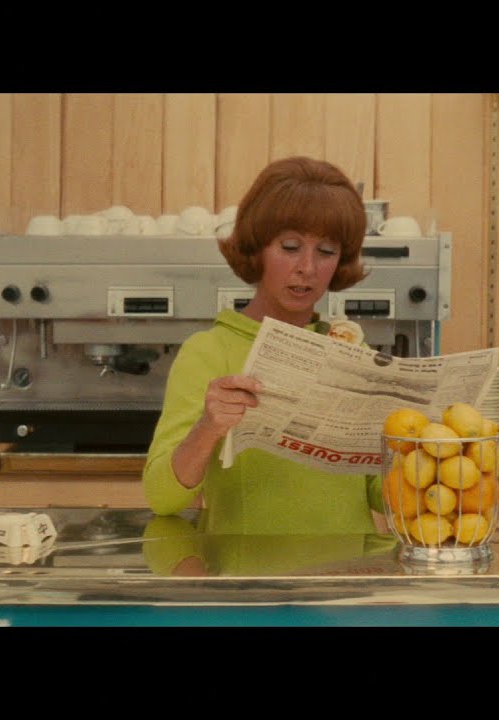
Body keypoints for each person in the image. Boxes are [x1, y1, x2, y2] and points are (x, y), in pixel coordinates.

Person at [142, 156, 386, 534]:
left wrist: (423, 457)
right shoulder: (208, 352)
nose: (308, 267)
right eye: (290, 247)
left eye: (326, 251)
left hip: (351, 569)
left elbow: (380, 494)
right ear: (256, 249)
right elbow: (162, 498)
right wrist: (208, 427)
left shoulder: (354, 352)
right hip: (248, 569)